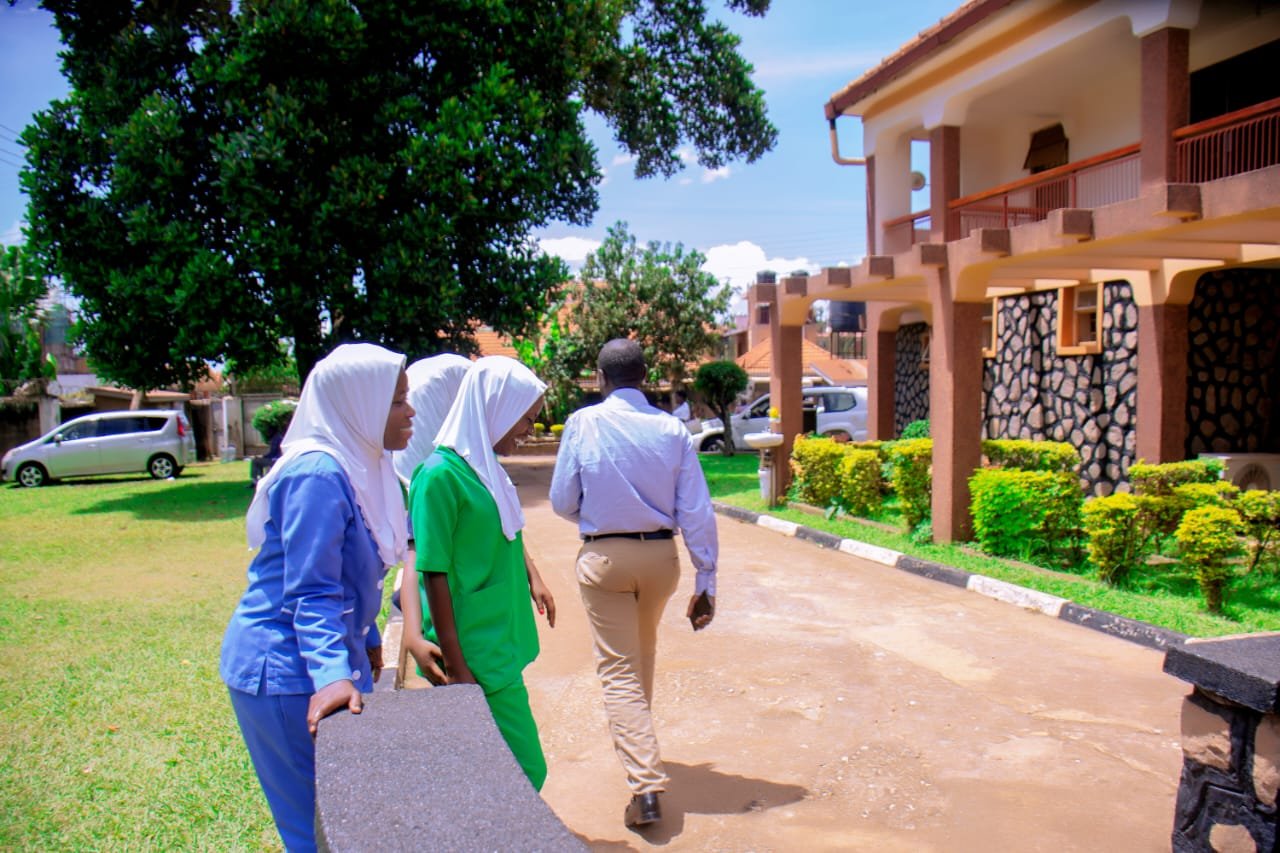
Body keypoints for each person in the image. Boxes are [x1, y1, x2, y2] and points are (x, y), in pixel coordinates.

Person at [220, 342, 414, 853]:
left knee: (351, 818)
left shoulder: (367, 469)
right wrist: (332, 676)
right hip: (286, 670)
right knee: (318, 830)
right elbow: (311, 590)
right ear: (359, 405)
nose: (410, 411)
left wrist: (367, 635)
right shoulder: (318, 475)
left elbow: (357, 570)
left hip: (325, 657)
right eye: (397, 401)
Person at [549, 338, 718, 829]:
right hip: (661, 558)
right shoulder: (672, 429)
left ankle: (645, 786)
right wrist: (706, 579)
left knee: (619, 669)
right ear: (644, 378)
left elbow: (562, 501)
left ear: (601, 379)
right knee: (641, 654)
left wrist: (597, 517)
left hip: (605, 557)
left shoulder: (583, 423)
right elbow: (696, 510)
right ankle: (639, 748)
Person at [408, 356, 555, 790]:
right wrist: (456, 663)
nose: (528, 431)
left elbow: (507, 530)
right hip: (473, 650)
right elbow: (430, 570)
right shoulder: (438, 476)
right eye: (525, 420)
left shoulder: (485, 469)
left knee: (491, 768)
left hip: (496, 638)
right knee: (526, 770)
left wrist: (535, 578)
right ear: (496, 409)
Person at [391, 353, 471, 686]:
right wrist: (411, 631)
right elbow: (417, 553)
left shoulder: (451, 471)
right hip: (457, 624)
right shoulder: (435, 477)